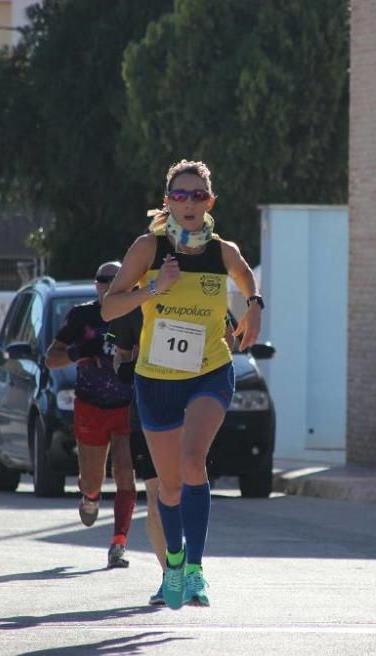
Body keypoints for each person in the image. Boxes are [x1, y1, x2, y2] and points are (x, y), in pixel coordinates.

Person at [102, 159, 263, 609]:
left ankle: (194, 569)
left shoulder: (222, 251)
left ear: (209, 202)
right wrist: (155, 290)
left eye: (197, 196)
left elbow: (245, 274)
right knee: (168, 488)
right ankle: (173, 563)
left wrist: (254, 305)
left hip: (210, 370)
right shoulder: (148, 250)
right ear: (167, 202)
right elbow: (109, 309)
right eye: (180, 195)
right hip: (156, 381)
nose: (189, 203)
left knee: (195, 462)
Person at [45, 261, 138, 569]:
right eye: (103, 280)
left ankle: (118, 544)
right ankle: (90, 496)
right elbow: (51, 360)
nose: (109, 284)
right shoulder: (81, 316)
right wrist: (79, 351)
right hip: (90, 406)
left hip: (125, 404)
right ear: (96, 285)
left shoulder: (135, 312)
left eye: (116, 279)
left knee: (125, 471)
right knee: (93, 480)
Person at [108, 306, 167, 605]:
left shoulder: (197, 287)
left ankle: (190, 565)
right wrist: (124, 365)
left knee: (184, 492)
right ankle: (171, 576)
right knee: (156, 498)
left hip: (190, 412)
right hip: (145, 414)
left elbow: (228, 339)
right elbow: (121, 355)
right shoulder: (132, 304)